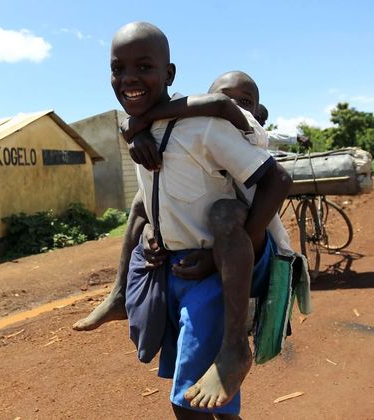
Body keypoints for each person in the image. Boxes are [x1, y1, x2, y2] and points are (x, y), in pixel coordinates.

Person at [107, 22, 291, 418]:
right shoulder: (152, 131)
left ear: (169, 74)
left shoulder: (218, 125)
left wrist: (215, 260)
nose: (129, 78)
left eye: (143, 67)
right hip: (181, 265)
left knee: (188, 404)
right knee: (141, 206)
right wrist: (134, 129)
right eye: (118, 69)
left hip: (231, 256)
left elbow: (276, 176)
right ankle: (119, 293)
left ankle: (235, 348)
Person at [72, 71, 265, 332]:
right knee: (142, 200)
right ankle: (119, 292)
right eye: (225, 96)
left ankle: (236, 341)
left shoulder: (249, 127)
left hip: (252, 234)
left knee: (225, 214)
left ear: (257, 109)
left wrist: (139, 121)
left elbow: (221, 106)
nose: (235, 105)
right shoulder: (201, 129)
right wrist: (137, 135)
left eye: (245, 102)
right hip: (208, 229)